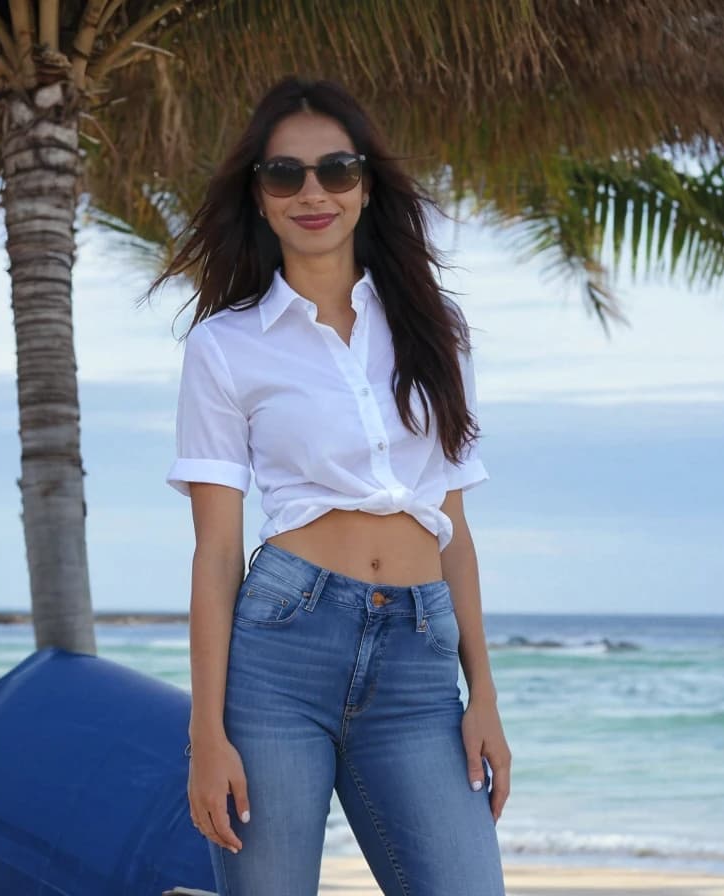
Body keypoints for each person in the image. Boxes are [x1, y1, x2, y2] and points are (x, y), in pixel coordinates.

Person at [147, 76, 510, 895]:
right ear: (262, 197)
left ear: (368, 184)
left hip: (420, 664)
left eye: (336, 170)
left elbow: (454, 526)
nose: (314, 192)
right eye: (286, 175)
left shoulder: (435, 329)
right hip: (281, 654)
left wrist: (482, 694)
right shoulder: (225, 347)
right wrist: (207, 732)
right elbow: (214, 554)